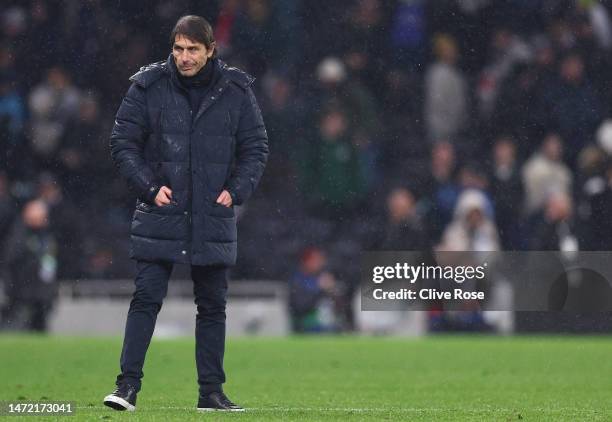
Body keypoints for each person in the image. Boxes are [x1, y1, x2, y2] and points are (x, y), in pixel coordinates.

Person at [103, 15, 268, 412]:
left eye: (193, 49)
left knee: (212, 305)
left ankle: (210, 393)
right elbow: (122, 143)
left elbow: (256, 148)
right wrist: (148, 187)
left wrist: (236, 191)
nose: (184, 57)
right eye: (178, 49)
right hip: (162, 211)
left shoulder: (236, 90)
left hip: (211, 214)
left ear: (211, 49)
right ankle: (126, 388)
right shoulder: (147, 86)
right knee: (146, 297)